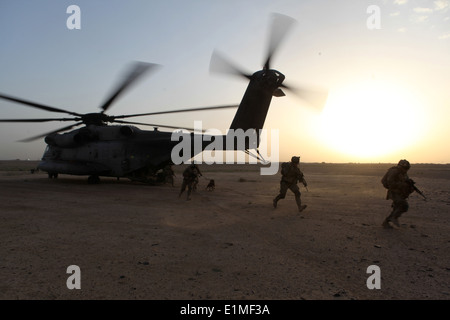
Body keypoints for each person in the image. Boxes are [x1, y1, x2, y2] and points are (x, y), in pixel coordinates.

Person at [381, 159, 415, 228]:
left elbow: (405, 181)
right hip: (394, 192)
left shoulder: (403, 173)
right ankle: (393, 218)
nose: (406, 170)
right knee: (403, 205)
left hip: (400, 193)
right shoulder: (394, 171)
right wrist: (403, 184)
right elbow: (391, 183)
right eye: (405, 168)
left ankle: (386, 222)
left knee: (398, 208)